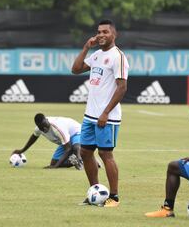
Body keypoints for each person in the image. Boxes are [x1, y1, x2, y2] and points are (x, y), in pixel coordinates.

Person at [72, 19, 129, 207]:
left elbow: (122, 88)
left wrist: (105, 113)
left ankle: (114, 197)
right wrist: (86, 47)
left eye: (105, 32)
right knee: (85, 153)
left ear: (114, 34)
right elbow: (76, 69)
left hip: (107, 117)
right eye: (99, 32)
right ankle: (95, 192)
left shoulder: (118, 57)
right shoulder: (96, 55)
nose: (101, 35)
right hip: (90, 115)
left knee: (106, 154)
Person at [12, 113, 84, 170]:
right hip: (66, 139)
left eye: (45, 125)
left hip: (77, 132)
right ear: (38, 126)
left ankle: (81, 156)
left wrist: (55, 167)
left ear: (46, 120)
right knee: (54, 162)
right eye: (41, 128)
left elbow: (68, 149)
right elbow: (33, 138)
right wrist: (22, 150)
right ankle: (77, 161)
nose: (44, 128)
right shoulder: (38, 129)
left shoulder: (57, 128)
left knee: (75, 147)